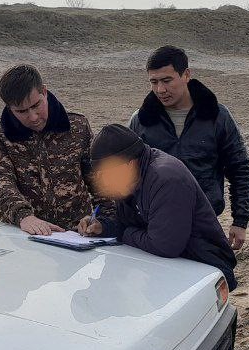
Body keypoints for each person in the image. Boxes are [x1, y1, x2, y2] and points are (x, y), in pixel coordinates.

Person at [80, 124, 237, 289]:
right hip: (167, 264)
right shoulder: (129, 178)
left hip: (205, 267)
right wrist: (103, 227)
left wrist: (123, 233)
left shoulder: (166, 179)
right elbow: (128, 223)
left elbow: (165, 246)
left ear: (129, 163)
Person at [128, 45, 249, 251]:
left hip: (203, 225)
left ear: (186, 75)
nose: (160, 90)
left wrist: (240, 220)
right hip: (154, 225)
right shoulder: (140, 121)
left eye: (167, 80)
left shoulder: (218, 117)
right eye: (154, 82)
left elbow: (239, 168)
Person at [0, 63, 103, 235]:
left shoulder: (77, 125)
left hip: (77, 233)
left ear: (44, 91)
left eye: (36, 105)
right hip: (25, 233)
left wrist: (105, 219)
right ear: (9, 108)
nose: (33, 117)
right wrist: (24, 216)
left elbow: (97, 179)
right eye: (21, 111)